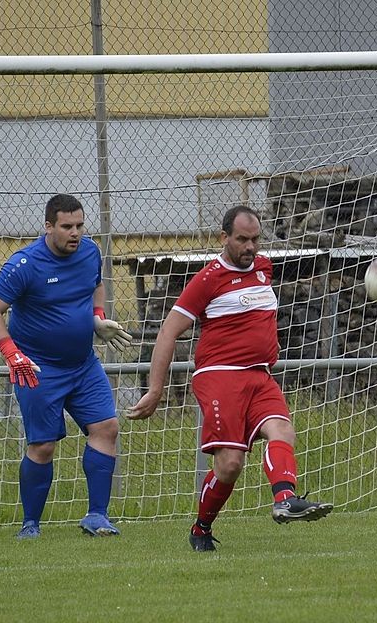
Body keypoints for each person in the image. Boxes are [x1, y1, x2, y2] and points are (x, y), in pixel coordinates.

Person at [127, 205, 332, 552]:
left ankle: (285, 499)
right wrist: (156, 388)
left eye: (255, 239)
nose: (250, 247)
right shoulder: (208, 279)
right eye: (242, 240)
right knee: (230, 464)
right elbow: (168, 332)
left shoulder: (264, 269)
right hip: (220, 376)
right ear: (224, 238)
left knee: (282, 430)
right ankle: (201, 528)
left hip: (260, 376)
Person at [0, 193, 131, 539]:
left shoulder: (90, 251)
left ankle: (97, 516)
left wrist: (97, 317)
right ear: (49, 226)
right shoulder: (25, 264)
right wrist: (11, 352)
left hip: (82, 365)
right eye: (67, 226)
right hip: (38, 368)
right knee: (43, 445)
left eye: (79, 225)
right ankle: (30, 525)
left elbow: (96, 286)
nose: (75, 233)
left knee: (107, 427)